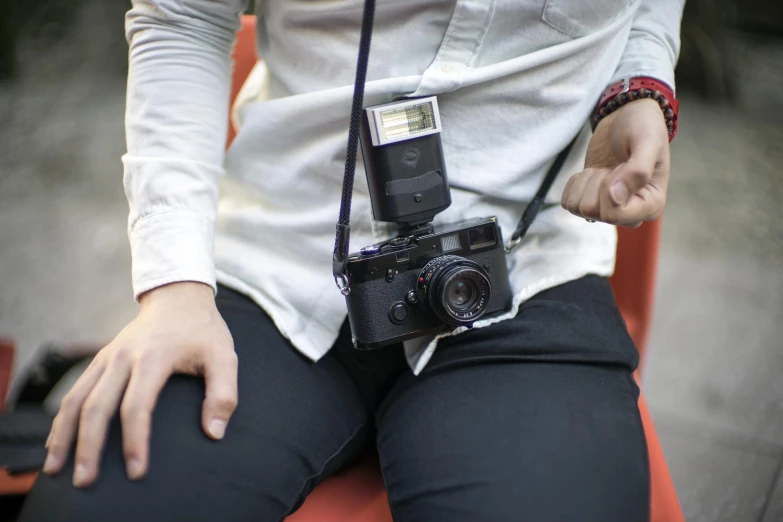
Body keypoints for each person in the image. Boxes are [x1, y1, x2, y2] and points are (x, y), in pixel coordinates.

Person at [19, 0, 684, 520]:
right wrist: (173, 286)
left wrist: (637, 82)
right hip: (274, 269)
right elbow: (183, 15)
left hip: (522, 276)